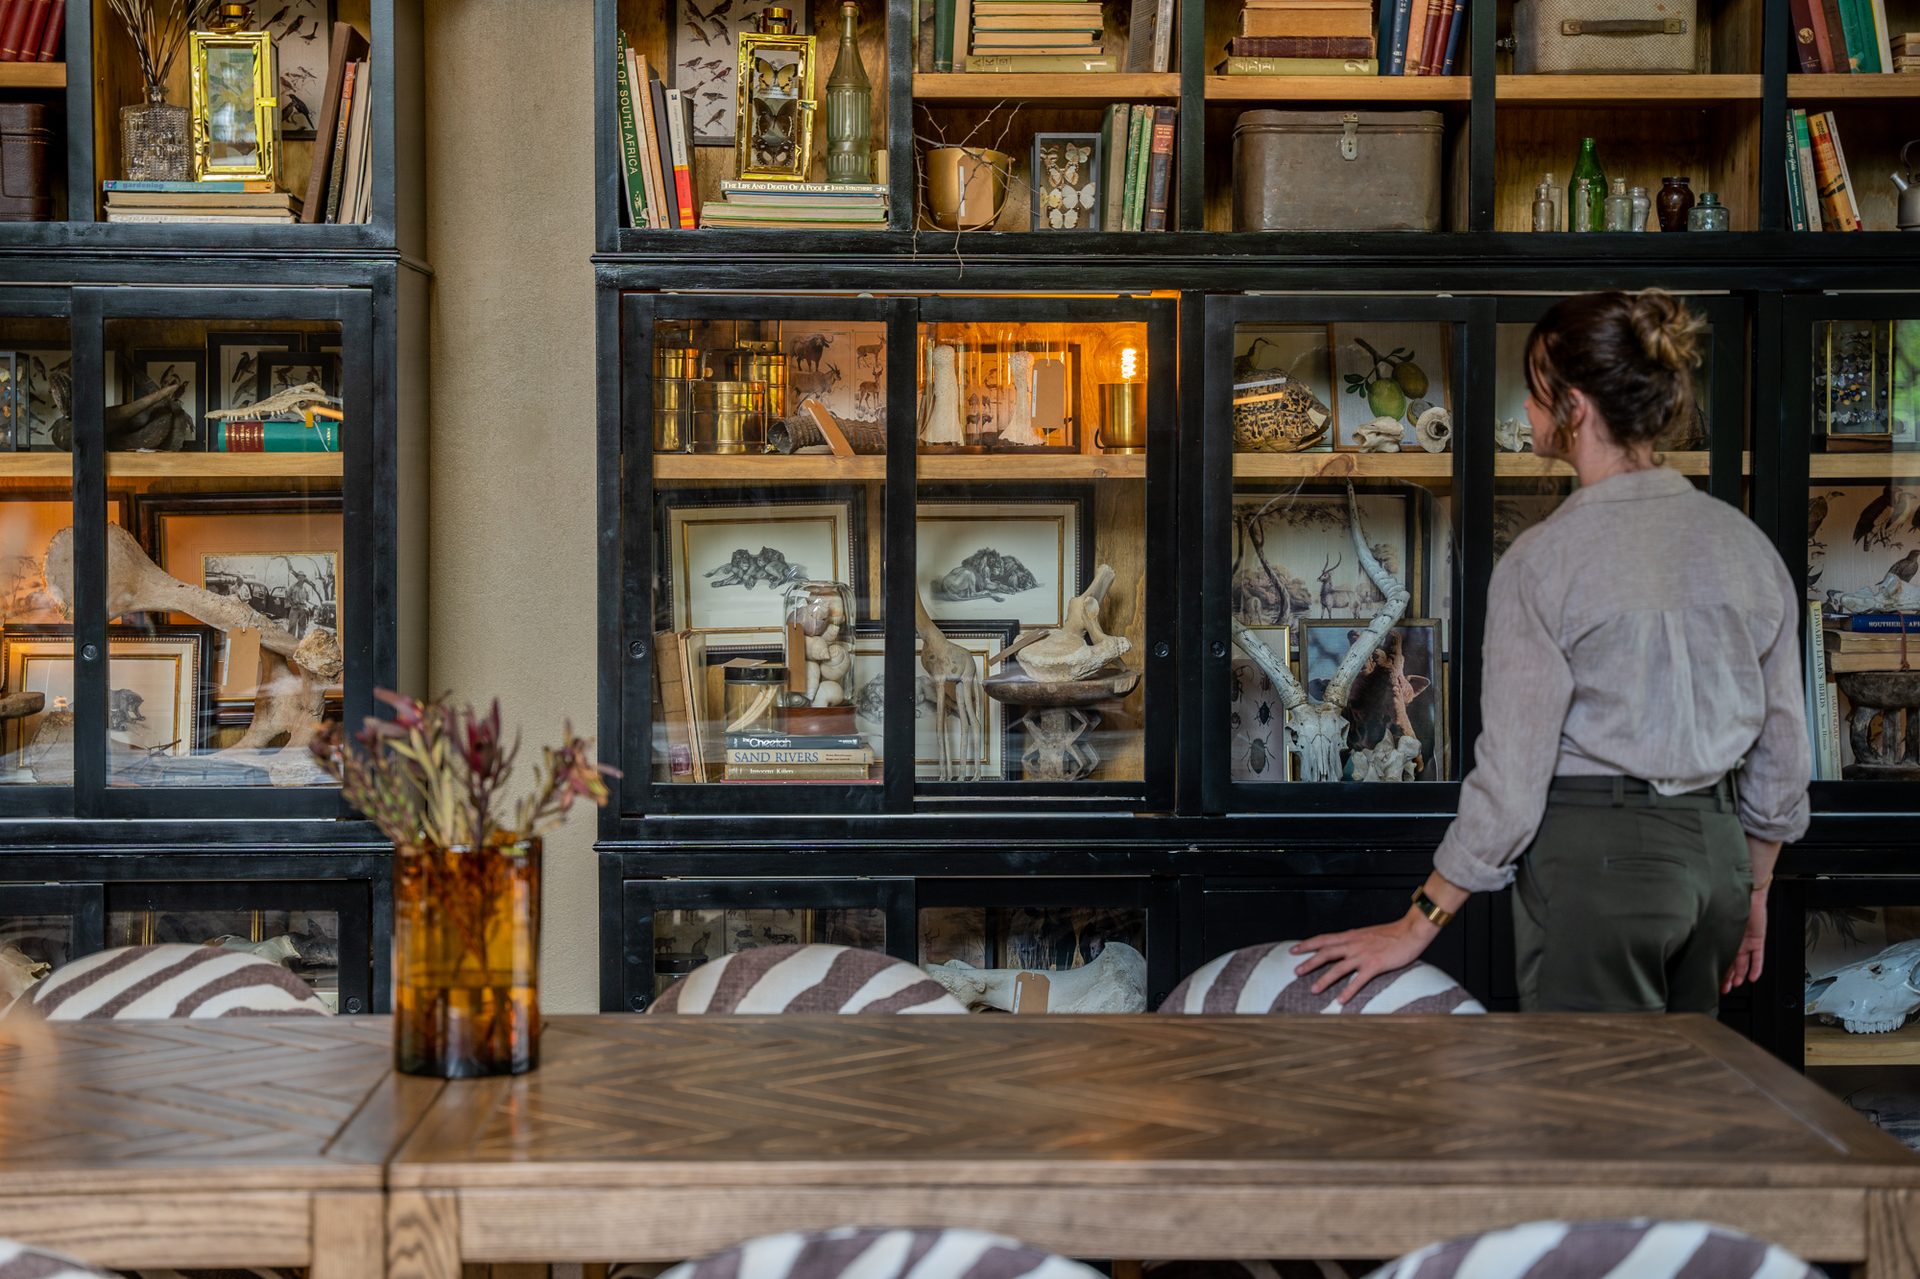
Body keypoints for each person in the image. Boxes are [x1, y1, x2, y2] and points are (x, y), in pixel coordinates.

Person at [1295, 290, 1811, 1013]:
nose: (1528, 408)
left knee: (1589, 1087)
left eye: (1536, 391)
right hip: (1718, 863)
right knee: (1681, 1082)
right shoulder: (1745, 546)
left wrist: (1418, 923)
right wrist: (1753, 888)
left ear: (1575, 407)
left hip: (1600, 868)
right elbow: (1783, 756)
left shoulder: (1544, 560)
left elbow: (1512, 783)